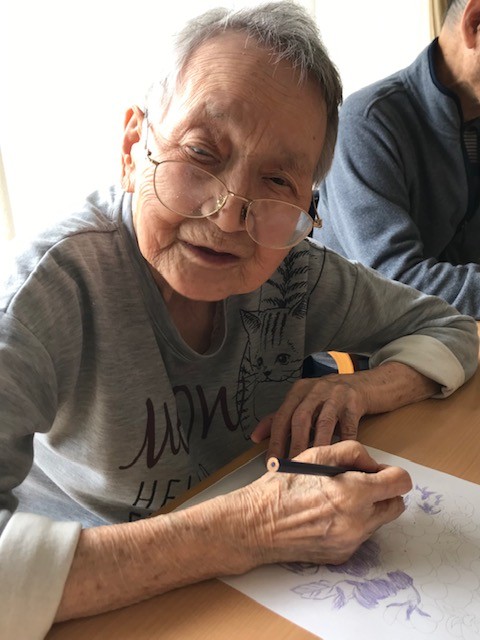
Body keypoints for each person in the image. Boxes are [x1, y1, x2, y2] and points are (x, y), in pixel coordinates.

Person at [0, 3, 478, 638]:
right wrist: (252, 527)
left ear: (309, 204)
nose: (229, 216)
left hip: (249, 594)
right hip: (103, 601)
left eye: (277, 180)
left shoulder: (294, 272)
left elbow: (454, 328)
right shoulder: (46, 290)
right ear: (132, 148)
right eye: (201, 153)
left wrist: (357, 388)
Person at [316, 0, 480, 317]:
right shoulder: (367, 122)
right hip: (364, 342)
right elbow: (395, 282)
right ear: (474, 22)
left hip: (455, 333)